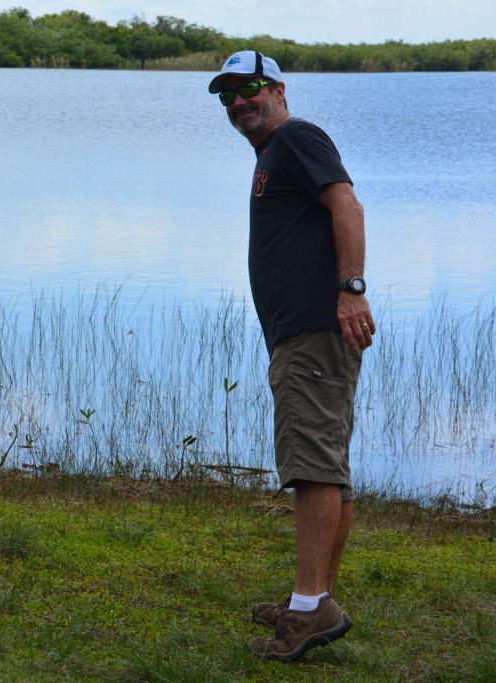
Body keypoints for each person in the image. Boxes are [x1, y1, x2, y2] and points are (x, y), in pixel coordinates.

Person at [208, 50, 376, 662]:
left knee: (310, 465)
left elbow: (347, 206)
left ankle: (310, 610)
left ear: (277, 88)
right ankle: (314, 597)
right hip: (303, 333)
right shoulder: (273, 154)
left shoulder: (299, 137)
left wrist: (350, 289)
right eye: (227, 95)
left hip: (313, 330)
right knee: (327, 464)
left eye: (248, 89)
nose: (238, 102)